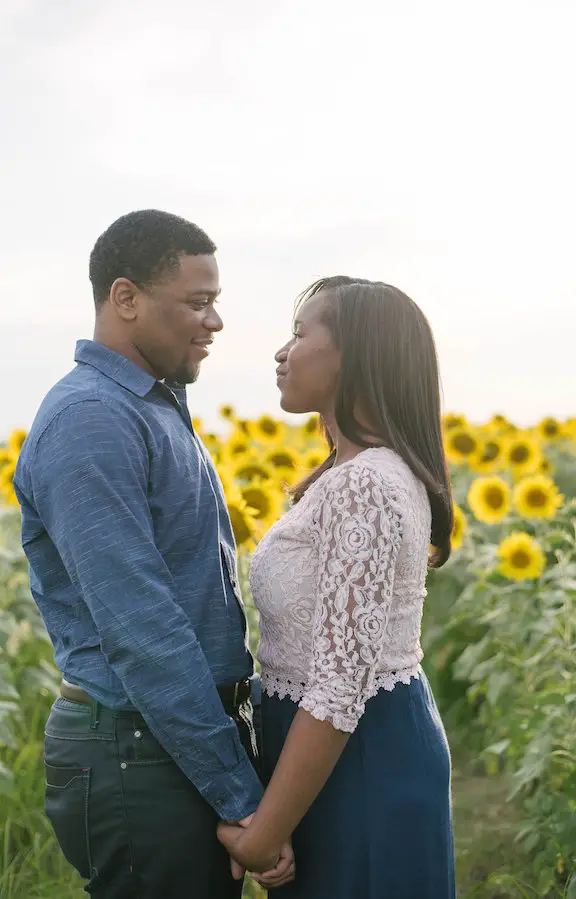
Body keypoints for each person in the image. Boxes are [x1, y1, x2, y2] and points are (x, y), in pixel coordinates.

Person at [13, 210, 293, 898]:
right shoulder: (92, 419)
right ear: (126, 298)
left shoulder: (150, 405)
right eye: (198, 303)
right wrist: (243, 799)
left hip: (168, 741)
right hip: (135, 751)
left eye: (216, 302)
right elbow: (142, 631)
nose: (216, 321)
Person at [218, 276, 456, 898]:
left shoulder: (365, 485)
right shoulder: (350, 474)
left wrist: (262, 834)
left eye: (300, 334)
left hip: (357, 758)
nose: (282, 353)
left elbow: (339, 688)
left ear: (359, 357)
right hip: (332, 758)